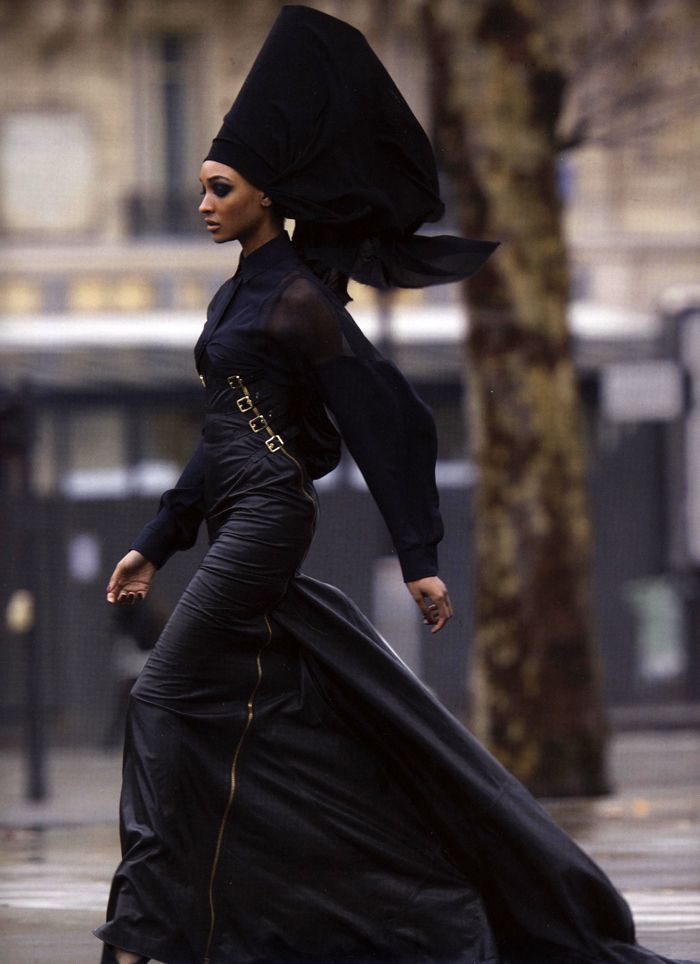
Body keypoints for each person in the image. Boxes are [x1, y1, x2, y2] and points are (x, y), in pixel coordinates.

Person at [95, 8, 695, 964]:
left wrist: (420, 557)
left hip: (266, 524)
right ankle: (377, 908)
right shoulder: (238, 294)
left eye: (220, 188)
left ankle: (146, 930)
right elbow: (224, 436)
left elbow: (391, 419)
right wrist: (157, 537)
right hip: (236, 517)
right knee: (266, 722)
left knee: (163, 696)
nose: (204, 203)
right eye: (201, 189)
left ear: (268, 198)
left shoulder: (296, 299)